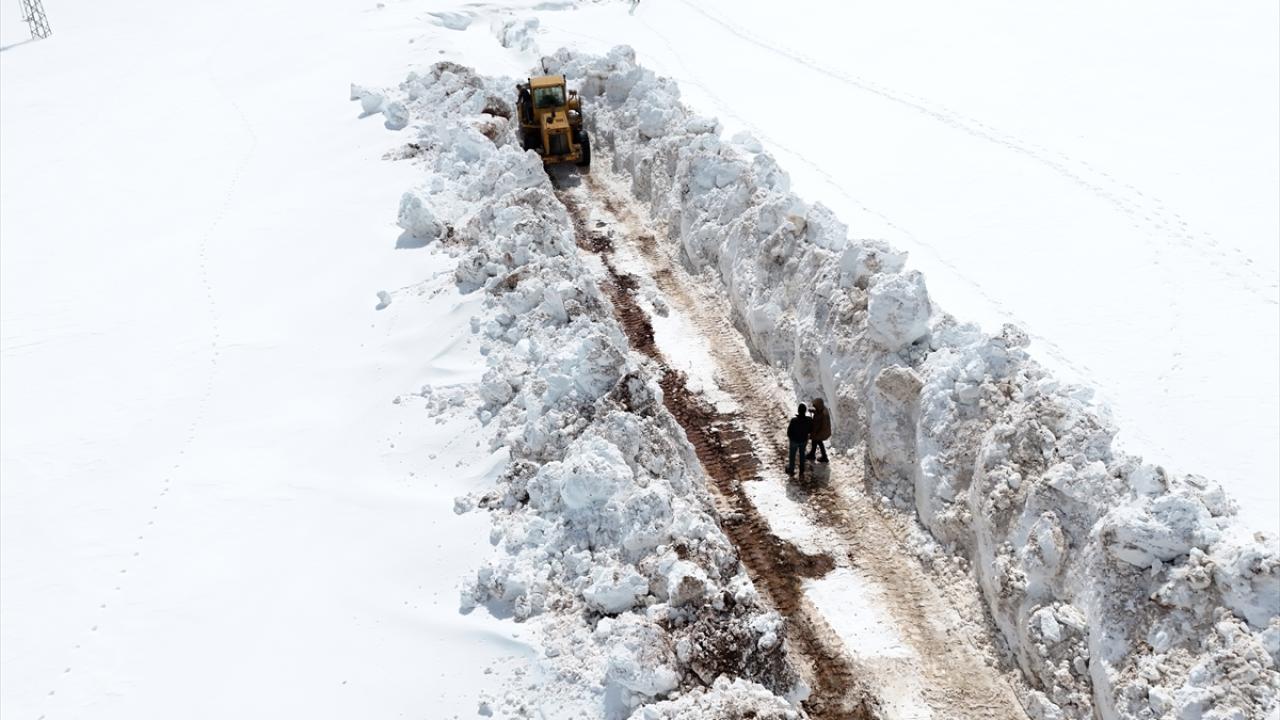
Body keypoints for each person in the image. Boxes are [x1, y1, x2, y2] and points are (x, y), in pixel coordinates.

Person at [786, 403, 813, 477]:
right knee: (802, 454)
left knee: (792, 455)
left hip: (794, 440)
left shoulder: (794, 420)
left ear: (798, 411)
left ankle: (791, 469)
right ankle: (802, 469)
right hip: (803, 440)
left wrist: (791, 438)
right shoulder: (809, 420)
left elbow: (789, 431)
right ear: (805, 411)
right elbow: (811, 430)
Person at [808, 397, 831, 463]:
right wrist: (814, 411)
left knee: (815, 440)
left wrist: (812, 434)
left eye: (815, 406)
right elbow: (818, 412)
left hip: (821, 432)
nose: (814, 407)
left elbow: (816, 426)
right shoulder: (824, 409)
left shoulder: (819, 415)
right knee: (817, 441)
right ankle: (816, 454)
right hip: (825, 430)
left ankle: (822, 456)